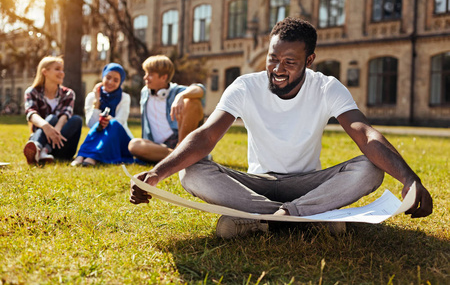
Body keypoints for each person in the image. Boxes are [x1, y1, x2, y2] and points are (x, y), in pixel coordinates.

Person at [129, 17, 433, 239]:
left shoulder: (327, 87)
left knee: (370, 169)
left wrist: (408, 178)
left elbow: (365, 134)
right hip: (255, 184)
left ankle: (273, 218)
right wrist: (157, 174)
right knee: (192, 171)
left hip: (308, 182)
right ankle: (309, 215)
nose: (277, 69)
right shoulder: (245, 86)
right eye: (273, 59)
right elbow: (206, 136)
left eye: (290, 62)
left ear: (309, 60)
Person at [128, 55, 205, 163]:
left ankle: (182, 151)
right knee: (134, 145)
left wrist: (180, 96)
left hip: (180, 141)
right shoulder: (145, 92)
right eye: (145, 73)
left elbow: (200, 90)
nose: (145, 77)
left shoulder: (176, 91)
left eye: (150, 74)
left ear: (163, 77)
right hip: (159, 147)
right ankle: (181, 157)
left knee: (193, 102)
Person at [71, 63, 134, 167]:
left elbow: (120, 122)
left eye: (115, 80)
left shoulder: (124, 97)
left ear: (120, 82)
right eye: (108, 77)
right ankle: (82, 156)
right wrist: (97, 102)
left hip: (119, 138)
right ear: (102, 77)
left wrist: (106, 120)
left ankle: (91, 156)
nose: (110, 82)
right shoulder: (92, 96)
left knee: (112, 123)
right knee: (99, 124)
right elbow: (91, 124)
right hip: (99, 135)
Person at [23, 56, 83, 165]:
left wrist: (56, 131)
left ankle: (42, 150)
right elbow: (31, 113)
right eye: (57, 69)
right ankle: (38, 148)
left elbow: (65, 114)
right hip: (41, 138)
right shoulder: (32, 92)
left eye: (62, 70)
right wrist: (46, 126)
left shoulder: (68, 94)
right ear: (45, 72)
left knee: (77, 120)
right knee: (51, 118)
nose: (62, 73)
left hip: (61, 145)